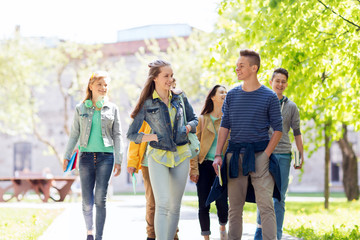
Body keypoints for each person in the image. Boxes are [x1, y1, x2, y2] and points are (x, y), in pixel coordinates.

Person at [212, 49, 283, 240]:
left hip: (260, 155)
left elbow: (278, 129)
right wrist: (218, 155)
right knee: (235, 208)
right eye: (237, 65)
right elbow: (225, 126)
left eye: (241, 65)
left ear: (254, 68)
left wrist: (266, 156)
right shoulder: (232, 95)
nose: (237, 68)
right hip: (234, 157)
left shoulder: (269, 96)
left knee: (266, 206)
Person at [127, 60, 198, 240]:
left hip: (181, 154)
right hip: (157, 155)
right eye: (166, 76)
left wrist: (188, 128)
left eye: (171, 75)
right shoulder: (147, 103)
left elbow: (194, 119)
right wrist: (151, 136)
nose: (170, 79)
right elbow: (131, 133)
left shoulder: (180, 97)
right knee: (163, 203)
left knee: (175, 206)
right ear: (155, 79)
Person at [63, 71, 123, 240]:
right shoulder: (80, 108)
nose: (103, 88)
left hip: (107, 157)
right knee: (87, 202)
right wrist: (67, 156)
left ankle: (99, 237)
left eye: (106, 85)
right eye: (100, 85)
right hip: (86, 158)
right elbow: (74, 134)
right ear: (91, 86)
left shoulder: (112, 108)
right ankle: (89, 231)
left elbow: (118, 134)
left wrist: (119, 158)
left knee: (100, 200)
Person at [254, 68, 304, 240]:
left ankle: (277, 236)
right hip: (263, 155)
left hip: (283, 155)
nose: (280, 84)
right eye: (277, 81)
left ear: (286, 84)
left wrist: (299, 157)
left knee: (279, 198)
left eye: (283, 81)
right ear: (271, 82)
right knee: (263, 196)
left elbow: (297, 133)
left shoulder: (291, 107)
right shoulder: (262, 102)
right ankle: (260, 235)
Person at [127, 78, 180, 240]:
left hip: (172, 159)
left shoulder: (177, 104)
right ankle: (151, 235)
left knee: (171, 201)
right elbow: (136, 137)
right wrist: (132, 163)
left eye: (173, 84)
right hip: (149, 162)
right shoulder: (146, 105)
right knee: (153, 201)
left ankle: (172, 235)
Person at [190, 85, 229, 240]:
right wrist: (193, 169)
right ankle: (206, 237)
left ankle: (222, 226)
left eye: (226, 92)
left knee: (222, 204)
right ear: (212, 96)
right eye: (221, 92)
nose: (225, 94)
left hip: (221, 167)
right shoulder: (202, 120)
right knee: (204, 204)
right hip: (204, 165)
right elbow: (194, 146)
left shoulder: (228, 120)